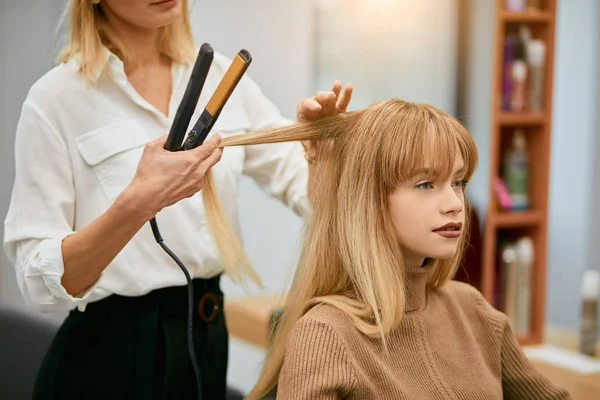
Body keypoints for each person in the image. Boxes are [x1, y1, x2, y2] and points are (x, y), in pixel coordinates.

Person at [2, 0, 352, 399]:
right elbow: (40, 282)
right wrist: (138, 203)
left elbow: (307, 194)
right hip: (110, 357)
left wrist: (323, 158)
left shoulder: (222, 77)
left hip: (207, 339)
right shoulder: (56, 99)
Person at [203, 99, 572, 399]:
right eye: (426, 183)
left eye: (458, 181)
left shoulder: (472, 311)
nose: (455, 203)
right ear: (370, 201)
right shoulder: (326, 335)